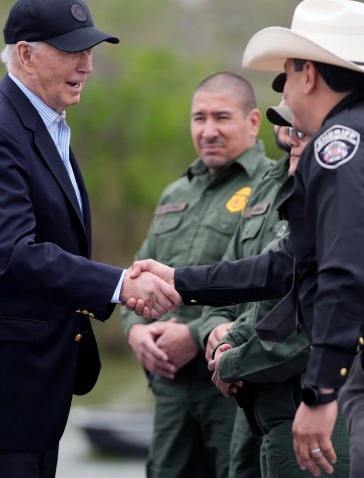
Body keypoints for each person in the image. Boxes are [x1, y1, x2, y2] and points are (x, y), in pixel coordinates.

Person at [127, 1, 364, 477]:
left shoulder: (339, 143)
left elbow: (348, 272)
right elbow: (289, 264)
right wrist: (181, 281)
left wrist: (321, 392)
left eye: (286, 72)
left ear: (308, 74)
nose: (282, 87)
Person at [0, 1, 180, 476]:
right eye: (71, 51)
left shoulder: (45, 124)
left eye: (90, 51)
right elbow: (13, 253)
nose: (86, 64)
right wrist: (121, 285)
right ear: (24, 54)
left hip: (29, 391)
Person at [119, 72, 274, 478]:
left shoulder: (273, 188)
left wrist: (193, 335)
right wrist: (135, 330)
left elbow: (274, 284)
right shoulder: (175, 193)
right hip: (169, 386)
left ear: (253, 122)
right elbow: (138, 267)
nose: (208, 131)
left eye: (221, 117)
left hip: (230, 382)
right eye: (198, 118)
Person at [203, 80, 351, 478]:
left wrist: (233, 360)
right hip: (259, 402)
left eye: (297, 109)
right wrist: (219, 334)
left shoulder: (342, 198)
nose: (287, 118)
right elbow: (246, 281)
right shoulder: (269, 185)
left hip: (316, 405)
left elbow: (307, 317)